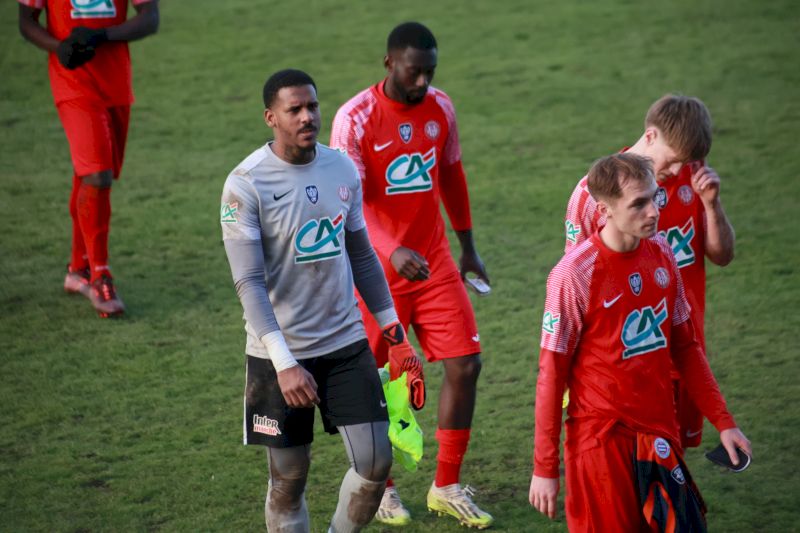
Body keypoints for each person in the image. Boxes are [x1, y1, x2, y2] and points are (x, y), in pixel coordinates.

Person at [221, 69, 424, 533]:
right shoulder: (245, 184)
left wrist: (395, 335)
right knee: (289, 479)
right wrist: (285, 364)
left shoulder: (341, 169)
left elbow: (363, 256)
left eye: (312, 106)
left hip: (344, 342)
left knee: (375, 463)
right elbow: (248, 282)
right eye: (294, 109)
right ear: (271, 117)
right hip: (280, 354)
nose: (307, 117)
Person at [529, 153, 751, 531]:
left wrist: (724, 422)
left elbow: (686, 348)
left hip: (661, 430)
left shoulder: (663, 253)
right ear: (604, 210)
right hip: (602, 443)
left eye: (655, 198)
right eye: (638, 204)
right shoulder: (573, 276)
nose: (653, 211)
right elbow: (551, 375)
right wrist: (544, 468)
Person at [331, 21, 493, 529]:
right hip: (372, 269)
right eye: (413, 72)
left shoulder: (441, 108)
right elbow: (349, 201)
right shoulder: (354, 119)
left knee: (465, 364)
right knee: (372, 377)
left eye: (430, 72)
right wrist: (391, 248)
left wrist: (468, 246)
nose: (423, 82)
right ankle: (380, 487)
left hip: (433, 262)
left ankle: (446, 485)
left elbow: (451, 174)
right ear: (389, 64)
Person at [563, 95, 735, 449]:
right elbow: (574, 284)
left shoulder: (694, 175)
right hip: (622, 360)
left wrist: (712, 204)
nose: (677, 170)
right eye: (673, 160)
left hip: (683, 347)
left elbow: (722, 256)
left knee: (672, 457)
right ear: (651, 136)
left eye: (686, 162)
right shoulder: (596, 194)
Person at [18, 0, 159, 317]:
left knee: (89, 175)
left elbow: (150, 18)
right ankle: (100, 276)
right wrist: (58, 47)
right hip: (72, 82)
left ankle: (77, 270)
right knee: (98, 174)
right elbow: (26, 21)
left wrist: (102, 35)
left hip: (116, 83)